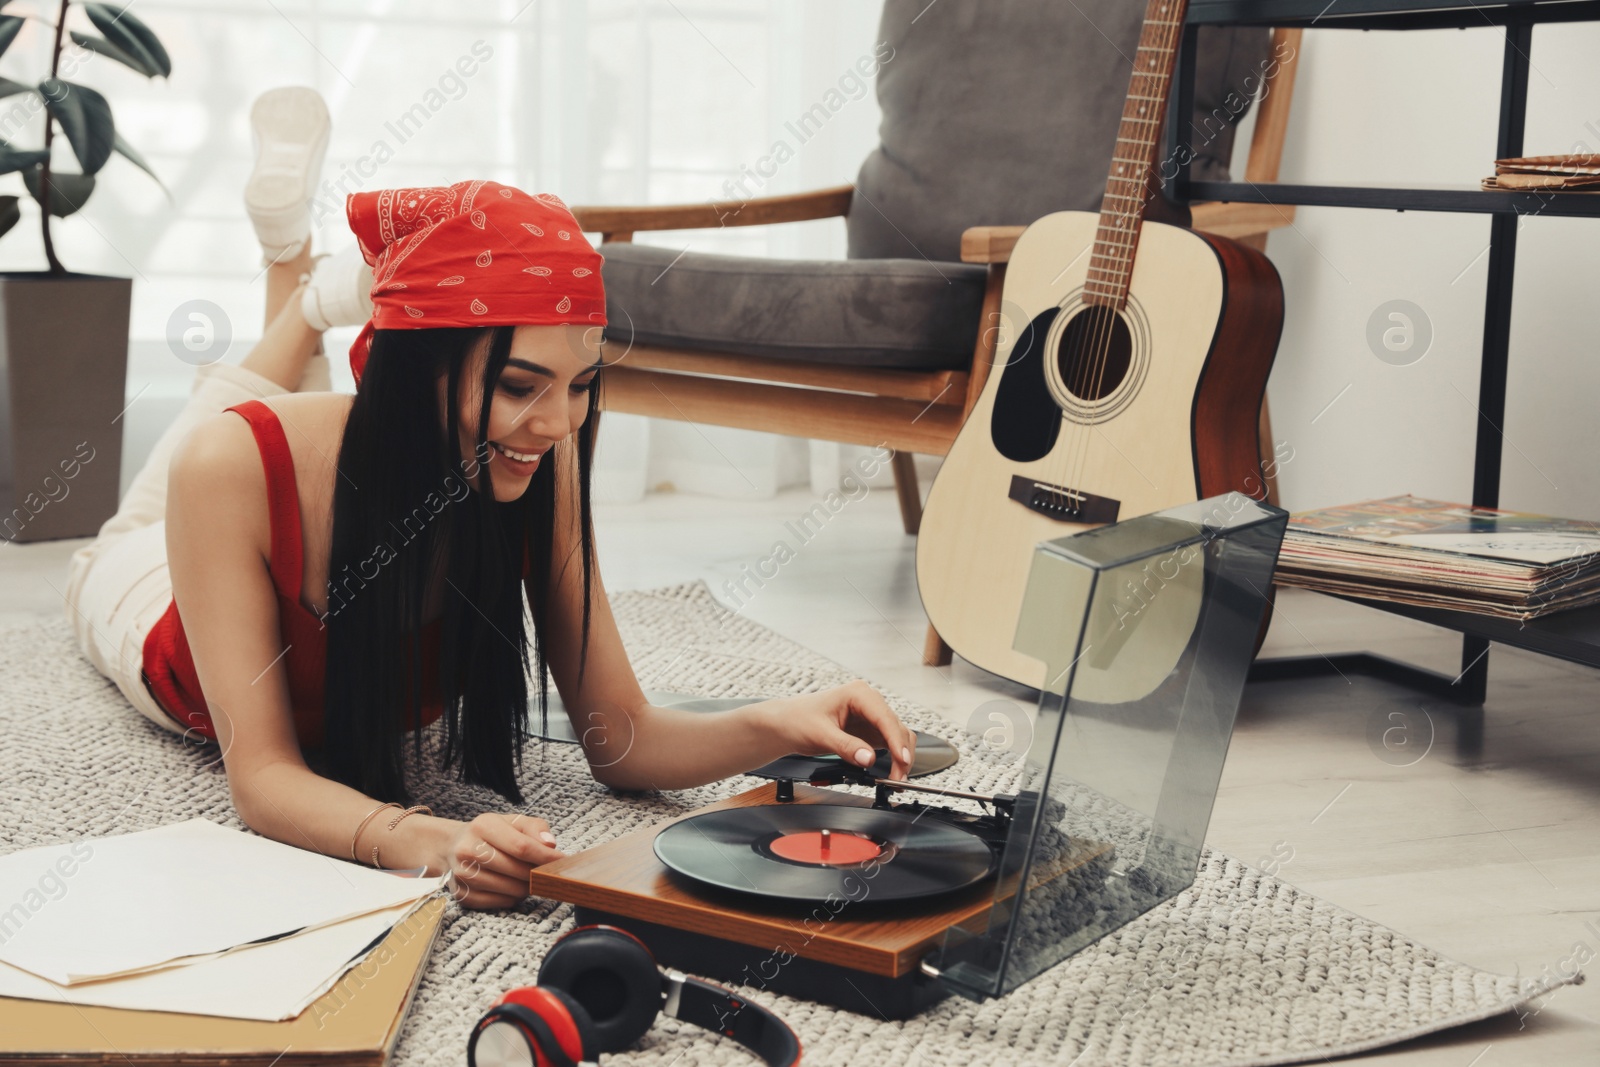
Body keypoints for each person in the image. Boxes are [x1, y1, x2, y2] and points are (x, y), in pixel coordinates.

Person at [62, 86, 914, 911]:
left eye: (581, 385)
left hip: (361, 446)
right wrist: (424, 838)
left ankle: (316, 286)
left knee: (297, 430)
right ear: (422, 367)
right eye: (519, 384)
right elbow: (266, 780)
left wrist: (780, 722)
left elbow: (624, 740)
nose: (555, 423)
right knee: (158, 493)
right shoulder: (229, 467)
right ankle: (307, 288)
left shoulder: (536, 456)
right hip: (141, 594)